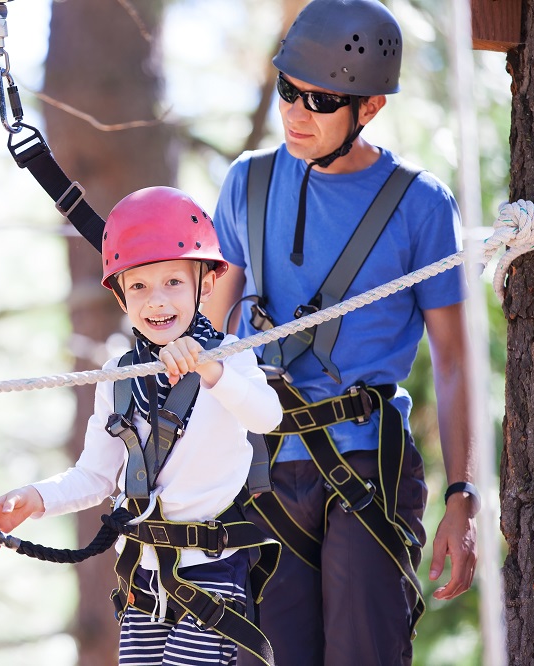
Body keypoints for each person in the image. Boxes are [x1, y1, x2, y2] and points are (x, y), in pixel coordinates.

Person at [202, 1, 479, 665]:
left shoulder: (419, 205)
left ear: (371, 108)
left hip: (366, 467)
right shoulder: (248, 183)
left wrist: (464, 496)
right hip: (262, 468)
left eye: (319, 100)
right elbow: (208, 335)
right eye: (287, 90)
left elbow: (455, 360)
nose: (295, 113)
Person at [0, 186, 284, 666]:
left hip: (209, 571)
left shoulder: (230, 356)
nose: (156, 301)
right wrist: (37, 498)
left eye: (172, 283)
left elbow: (267, 416)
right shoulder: (120, 376)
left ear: (204, 284)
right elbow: (97, 476)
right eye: (139, 286)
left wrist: (212, 372)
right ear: (121, 296)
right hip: (141, 579)